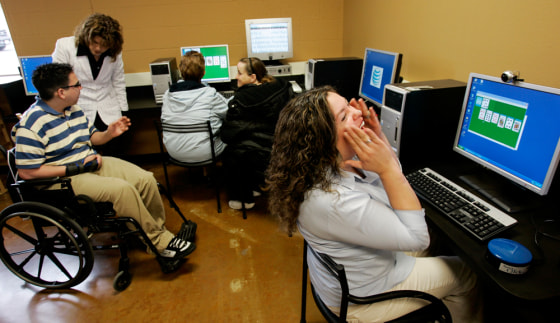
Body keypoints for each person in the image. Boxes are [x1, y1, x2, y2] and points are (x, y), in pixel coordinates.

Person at [265, 86, 483, 322]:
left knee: (439, 241)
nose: (357, 112)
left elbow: (384, 181)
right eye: (344, 116)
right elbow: (417, 237)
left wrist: (377, 137)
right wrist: (387, 168)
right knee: (466, 273)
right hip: (364, 301)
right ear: (323, 141)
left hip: (355, 275)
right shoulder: (332, 202)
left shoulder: (327, 167)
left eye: (348, 105)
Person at [11, 63, 195, 261]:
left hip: (90, 164)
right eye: (77, 85)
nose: (81, 88)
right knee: (122, 190)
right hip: (62, 179)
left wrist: (109, 133)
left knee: (146, 179)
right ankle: (159, 242)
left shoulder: (73, 109)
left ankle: (154, 232)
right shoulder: (32, 124)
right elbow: (27, 173)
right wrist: (76, 167)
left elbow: (92, 138)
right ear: (61, 92)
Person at [221, 57, 294, 210]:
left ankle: (244, 199)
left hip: (260, 154)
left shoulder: (241, 100)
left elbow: (229, 133)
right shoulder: (282, 87)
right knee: (249, 143)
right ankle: (255, 186)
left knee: (233, 151)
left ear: (252, 77)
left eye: (240, 73)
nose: (236, 77)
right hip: (283, 148)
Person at [52, 13, 128, 155]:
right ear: (86, 37)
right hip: (79, 107)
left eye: (104, 45)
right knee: (87, 154)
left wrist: (123, 110)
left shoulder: (115, 50)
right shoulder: (65, 46)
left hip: (108, 107)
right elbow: (59, 81)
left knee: (114, 152)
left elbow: (118, 80)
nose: (98, 49)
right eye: (95, 43)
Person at [161, 50, 228, 163]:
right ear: (203, 72)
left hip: (174, 152)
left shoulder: (167, 95)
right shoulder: (209, 94)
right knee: (229, 131)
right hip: (205, 153)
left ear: (181, 71)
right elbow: (228, 112)